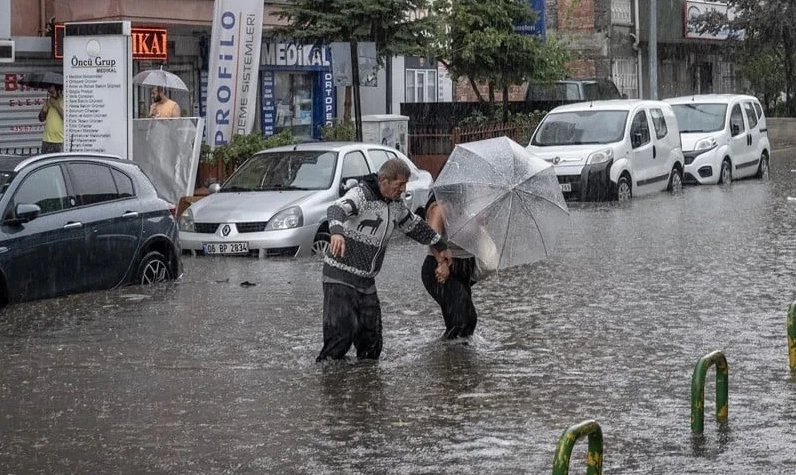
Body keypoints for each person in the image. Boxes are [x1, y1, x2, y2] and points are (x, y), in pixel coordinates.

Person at [317, 158, 453, 362]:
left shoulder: (396, 206)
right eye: (399, 185)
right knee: (339, 339)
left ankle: (367, 388)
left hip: (366, 282)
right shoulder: (361, 194)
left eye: (405, 185)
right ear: (383, 180)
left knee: (372, 343)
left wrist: (442, 246)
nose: (403, 190)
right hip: (339, 278)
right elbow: (335, 209)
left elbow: (415, 227)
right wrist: (336, 231)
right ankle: (331, 384)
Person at [421, 192, 480, 340]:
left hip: (463, 272)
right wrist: (441, 263)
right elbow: (431, 236)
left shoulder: (465, 208)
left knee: (459, 321)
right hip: (441, 270)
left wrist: (479, 222)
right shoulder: (440, 208)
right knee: (464, 320)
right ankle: (451, 357)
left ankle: (451, 357)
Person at [37, 85, 64, 153]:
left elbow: (67, 118)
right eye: (49, 92)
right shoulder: (48, 102)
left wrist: (57, 106)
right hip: (47, 139)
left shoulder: (65, 101)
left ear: (58, 90)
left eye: (52, 92)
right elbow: (41, 119)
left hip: (60, 140)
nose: (50, 94)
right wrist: (44, 110)